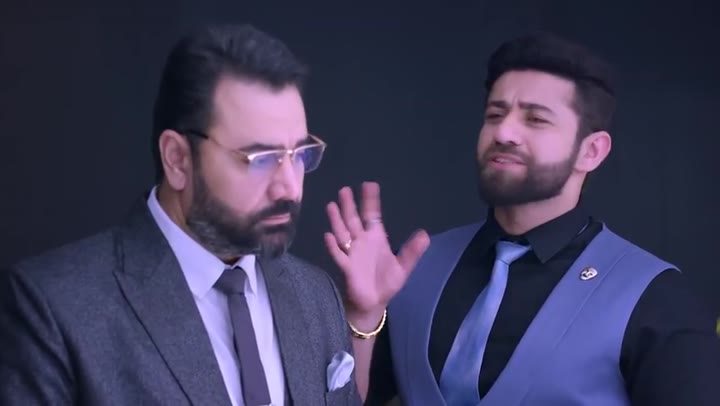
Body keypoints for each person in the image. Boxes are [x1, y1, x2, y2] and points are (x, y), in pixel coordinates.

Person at [326, 33, 720, 405]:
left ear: (592, 151)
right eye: (495, 114)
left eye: (535, 119)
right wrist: (364, 314)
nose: (504, 132)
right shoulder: (413, 269)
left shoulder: (654, 298)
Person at [0, 24, 364, 406]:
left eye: (300, 154)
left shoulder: (316, 295)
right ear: (177, 159)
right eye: (261, 158)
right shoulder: (53, 307)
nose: (290, 187)